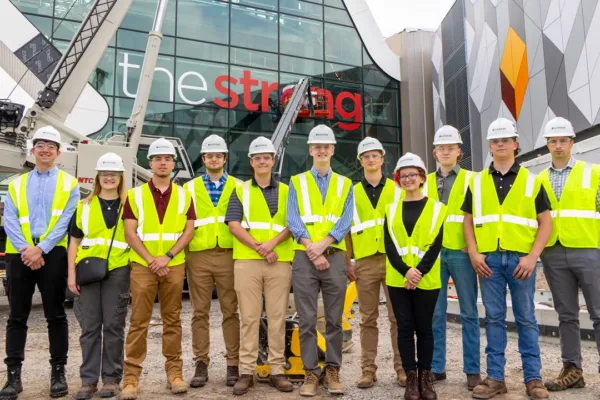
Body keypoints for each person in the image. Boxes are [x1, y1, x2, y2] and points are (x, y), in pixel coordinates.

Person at [462, 118, 552, 400]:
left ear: (515, 144)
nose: (500, 144)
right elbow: (467, 220)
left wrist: (532, 257)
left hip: (520, 263)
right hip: (488, 262)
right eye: (495, 141)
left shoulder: (532, 181)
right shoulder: (476, 182)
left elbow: (545, 223)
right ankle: (496, 379)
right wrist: (474, 253)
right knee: (494, 319)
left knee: (526, 319)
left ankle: (533, 379)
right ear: (490, 146)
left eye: (505, 140)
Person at [0, 126, 79, 400]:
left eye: (51, 145)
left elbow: (65, 222)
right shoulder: (16, 183)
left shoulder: (70, 184)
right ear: (32, 150)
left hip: (52, 253)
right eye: (40, 144)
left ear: (58, 152)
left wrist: (41, 249)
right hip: (20, 253)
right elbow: (9, 219)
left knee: (55, 315)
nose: (45, 149)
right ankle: (13, 377)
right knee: (17, 316)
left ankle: (58, 373)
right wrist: (27, 250)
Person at [120, 138, 195, 400]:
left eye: (167, 159)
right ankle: (131, 379)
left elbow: (188, 231)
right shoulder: (135, 194)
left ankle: (175, 374)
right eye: (157, 159)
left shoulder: (185, 195)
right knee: (138, 322)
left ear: (174, 164)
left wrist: (167, 256)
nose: (163, 163)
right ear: (149, 163)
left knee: (172, 320)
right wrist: (152, 259)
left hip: (173, 264)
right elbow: (130, 233)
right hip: (143, 265)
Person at [287, 124, 353, 397]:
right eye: (317, 146)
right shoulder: (297, 181)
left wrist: (323, 245)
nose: (322, 150)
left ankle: (333, 370)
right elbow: (293, 219)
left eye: (326, 146)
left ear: (333, 150)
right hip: (304, 258)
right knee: (307, 319)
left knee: (335, 319)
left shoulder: (345, 183)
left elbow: (345, 220)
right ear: (310, 150)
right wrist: (311, 249)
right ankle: (311, 372)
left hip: (334, 257)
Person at [225, 137, 294, 395]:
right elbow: (233, 224)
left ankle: (277, 370)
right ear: (251, 163)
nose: (262, 161)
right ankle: (247, 372)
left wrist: (271, 245)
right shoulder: (240, 190)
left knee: (277, 318)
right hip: (247, 262)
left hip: (279, 260)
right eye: (257, 158)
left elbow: (293, 224)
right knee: (249, 319)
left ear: (273, 161)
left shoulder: (288, 191)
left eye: (267, 157)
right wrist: (259, 247)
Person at [536, 118, 600, 391]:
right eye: (553, 141)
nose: (558, 145)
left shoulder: (592, 172)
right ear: (547, 145)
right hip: (553, 253)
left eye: (563, 140)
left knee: (599, 313)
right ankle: (573, 370)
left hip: (588, 250)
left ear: (572, 143)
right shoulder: (538, 179)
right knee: (566, 315)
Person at [67, 153, 130, 400]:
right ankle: (88, 381)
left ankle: (112, 380)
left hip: (118, 269)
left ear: (120, 177)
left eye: (113, 173)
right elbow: (74, 240)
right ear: (97, 176)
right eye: (104, 173)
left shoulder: (130, 206)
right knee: (90, 327)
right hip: (89, 271)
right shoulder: (83, 206)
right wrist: (71, 274)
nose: (109, 177)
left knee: (114, 325)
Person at [384, 152, 445, 400]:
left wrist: (417, 272)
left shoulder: (437, 208)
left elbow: (436, 244)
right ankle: (411, 378)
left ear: (422, 177)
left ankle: (425, 378)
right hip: (398, 279)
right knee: (405, 328)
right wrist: (406, 271)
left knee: (425, 329)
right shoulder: (391, 209)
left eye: (413, 174)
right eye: (403, 175)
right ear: (398, 179)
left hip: (426, 279)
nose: (408, 179)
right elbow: (389, 245)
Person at [345, 137, 405, 389]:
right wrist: (349, 259)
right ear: (360, 161)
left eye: (375, 155)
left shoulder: (398, 189)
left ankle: (402, 369)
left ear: (382, 159)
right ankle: (368, 370)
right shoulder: (351, 192)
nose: (371, 159)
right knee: (367, 318)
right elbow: (346, 229)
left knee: (398, 318)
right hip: (365, 261)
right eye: (366, 156)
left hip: (394, 261)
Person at [425, 126, 481, 389]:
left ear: (459, 152)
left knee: (469, 312)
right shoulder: (424, 181)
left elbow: (479, 217)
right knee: (435, 314)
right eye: (441, 148)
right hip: (433, 255)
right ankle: (437, 367)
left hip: (461, 253)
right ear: (435, 152)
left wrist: (473, 248)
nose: (445, 151)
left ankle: (472, 370)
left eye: (450, 147)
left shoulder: (474, 180)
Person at [183, 134, 240, 388]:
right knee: (199, 312)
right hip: (198, 255)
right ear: (203, 159)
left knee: (231, 311)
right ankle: (201, 364)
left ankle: (233, 364)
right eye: (209, 155)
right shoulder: (189, 188)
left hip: (229, 253)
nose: (214, 158)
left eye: (219, 155)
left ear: (225, 158)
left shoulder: (239, 186)